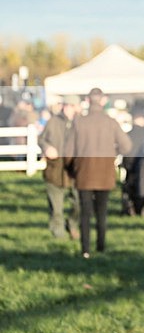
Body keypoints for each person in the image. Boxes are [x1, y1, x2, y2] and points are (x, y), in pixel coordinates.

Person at [64, 87, 131, 258]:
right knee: (102, 212)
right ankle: (101, 247)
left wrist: (71, 169)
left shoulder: (79, 122)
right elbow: (127, 146)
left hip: (84, 173)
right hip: (105, 173)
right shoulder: (110, 122)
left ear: (87, 100)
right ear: (102, 100)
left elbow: (68, 153)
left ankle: (85, 250)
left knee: (85, 213)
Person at [38, 95, 80, 239]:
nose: (69, 109)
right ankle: (59, 235)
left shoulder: (80, 123)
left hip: (74, 170)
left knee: (78, 204)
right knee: (56, 207)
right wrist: (47, 147)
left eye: (72, 106)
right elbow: (41, 139)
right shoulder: (53, 122)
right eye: (67, 106)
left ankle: (72, 224)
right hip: (55, 169)